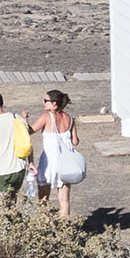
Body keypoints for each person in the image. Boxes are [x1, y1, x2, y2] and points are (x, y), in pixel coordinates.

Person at [31, 89, 81, 218]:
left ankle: (44, 225)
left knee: (44, 197)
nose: (44, 103)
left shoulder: (46, 117)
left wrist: (24, 119)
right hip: (65, 163)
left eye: (46, 101)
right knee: (64, 200)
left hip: (49, 162)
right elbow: (75, 141)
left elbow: (29, 131)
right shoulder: (69, 119)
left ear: (54, 104)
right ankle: (65, 228)